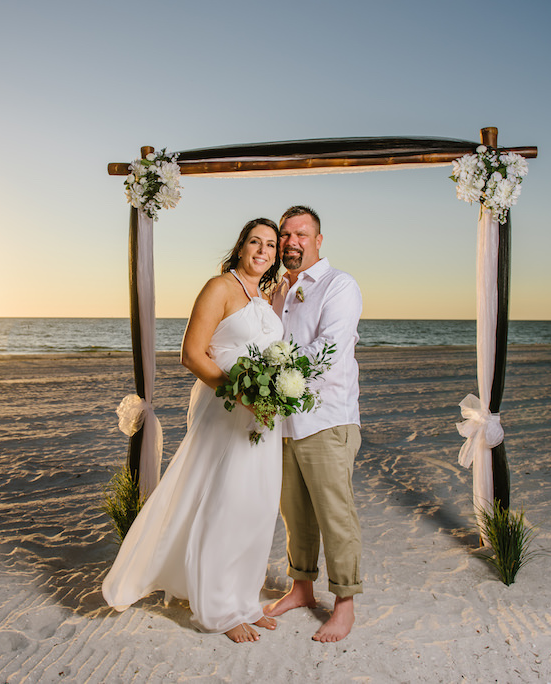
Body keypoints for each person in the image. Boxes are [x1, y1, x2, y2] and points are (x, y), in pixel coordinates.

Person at [103, 218, 284, 643]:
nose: (262, 250)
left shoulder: (265, 295)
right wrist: (240, 394)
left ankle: (243, 599)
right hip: (225, 406)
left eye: (271, 245)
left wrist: (273, 393)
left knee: (255, 503)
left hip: (262, 414)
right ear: (241, 246)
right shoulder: (219, 287)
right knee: (224, 499)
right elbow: (190, 353)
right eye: (255, 242)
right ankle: (217, 609)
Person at [265, 205, 363, 642]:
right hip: (284, 423)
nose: (291, 242)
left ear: (318, 240)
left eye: (301, 234)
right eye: (285, 235)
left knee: (334, 515)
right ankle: (301, 589)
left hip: (328, 420)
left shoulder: (339, 285)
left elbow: (329, 349)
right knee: (295, 515)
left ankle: (344, 604)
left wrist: (272, 371)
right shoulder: (279, 290)